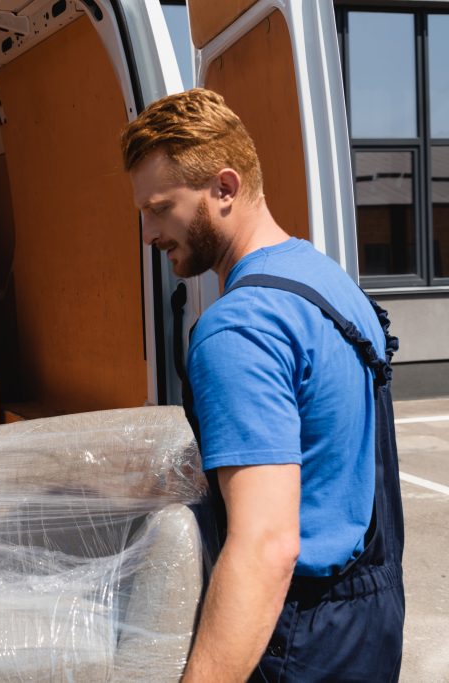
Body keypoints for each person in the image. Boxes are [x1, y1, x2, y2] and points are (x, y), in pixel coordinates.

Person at [120, 89, 405, 682]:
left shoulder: (239, 328)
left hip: (300, 638)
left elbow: (266, 547)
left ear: (225, 188)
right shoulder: (324, 278)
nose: (147, 232)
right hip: (370, 619)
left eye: (159, 208)